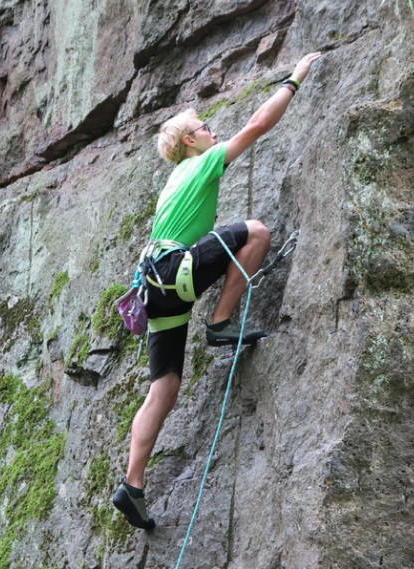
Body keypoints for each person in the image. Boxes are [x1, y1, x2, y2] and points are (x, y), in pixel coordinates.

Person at [112, 52, 323, 529]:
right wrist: (294, 78)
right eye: (204, 126)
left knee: (163, 387)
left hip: (154, 286)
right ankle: (221, 323)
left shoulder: (171, 184)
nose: (211, 130)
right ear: (191, 140)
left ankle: (133, 483)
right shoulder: (202, 163)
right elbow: (255, 125)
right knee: (257, 232)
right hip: (174, 270)